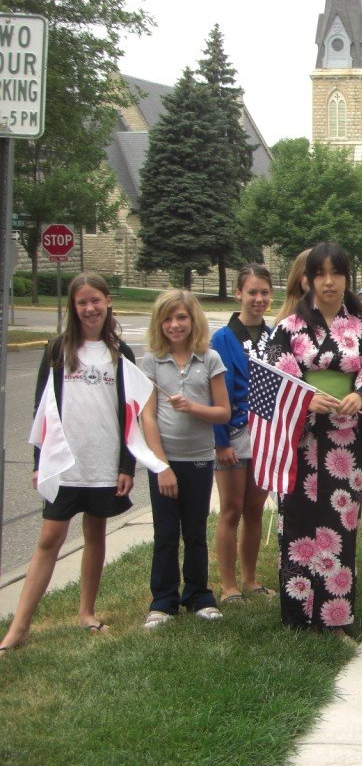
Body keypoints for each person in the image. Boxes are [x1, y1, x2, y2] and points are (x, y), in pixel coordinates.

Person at [0, 275, 145, 654]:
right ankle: (19, 627)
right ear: (73, 307)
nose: (90, 308)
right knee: (49, 539)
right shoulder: (57, 351)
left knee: (95, 534)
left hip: (103, 462)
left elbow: (131, 416)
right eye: (82, 302)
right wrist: (39, 462)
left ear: (108, 302)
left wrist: (126, 465)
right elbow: (41, 412)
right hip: (65, 462)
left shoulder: (122, 354)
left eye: (96, 300)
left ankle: (86, 612)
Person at [262, 242, 362, 631]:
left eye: (336, 274)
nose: (329, 282)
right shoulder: (288, 328)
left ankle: (336, 614)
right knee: (298, 520)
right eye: (321, 274)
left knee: (340, 523)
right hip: (301, 439)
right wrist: (303, 398)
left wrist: (359, 394)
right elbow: (276, 375)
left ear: (347, 278)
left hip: (344, 441)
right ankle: (298, 614)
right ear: (309, 279)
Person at [139, 290, 231, 628]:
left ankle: (198, 596)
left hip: (199, 460)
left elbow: (223, 412)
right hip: (164, 462)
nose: (174, 325)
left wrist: (192, 406)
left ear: (193, 320)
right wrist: (161, 466)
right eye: (167, 319)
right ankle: (163, 602)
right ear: (159, 324)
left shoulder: (209, 359)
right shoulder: (150, 362)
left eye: (181, 317)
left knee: (194, 531)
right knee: (165, 533)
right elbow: (147, 417)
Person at [211, 265, 276, 604]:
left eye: (264, 292)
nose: (258, 299)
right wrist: (220, 442)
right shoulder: (222, 339)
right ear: (239, 294)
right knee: (231, 509)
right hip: (233, 433)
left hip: (264, 434)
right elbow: (215, 391)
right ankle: (228, 585)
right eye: (252, 292)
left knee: (255, 508)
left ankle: (250, 580)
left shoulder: (275, 337)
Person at [274, 248, 311, 325]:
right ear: (298, 275)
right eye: (309, 272)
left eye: (320, 273)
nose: (314, 278)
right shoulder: (283, 324)